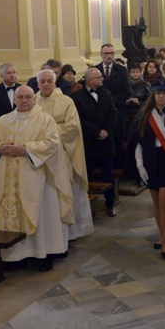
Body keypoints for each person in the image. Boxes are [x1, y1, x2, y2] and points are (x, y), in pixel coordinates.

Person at [0, 86, 73, 271]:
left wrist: (26, 150)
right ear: (14, 100)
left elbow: (52, 143)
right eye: (20, 97)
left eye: (28, 97)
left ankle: (41, 254)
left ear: (34, 99)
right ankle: (13, 256)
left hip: (37, 177)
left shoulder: (46, 121)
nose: (24, 100)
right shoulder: (2, 121)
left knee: (39, 215)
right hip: (7, 179)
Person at [128, 79, 165, 259]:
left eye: (164, 93)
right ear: (153, 94)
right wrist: (139, 165)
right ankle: (162, 236)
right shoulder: (144, 115)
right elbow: (137, 142)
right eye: (158, 93)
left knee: (164, 202)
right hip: (151, 161)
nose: (161, 96)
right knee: (156, 203)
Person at [36, 70, 93, 240]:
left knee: (67, 190)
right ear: (38, 84)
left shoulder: (66, 101)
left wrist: (49, 132)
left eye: (49, 81)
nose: (46, 84)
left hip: (63, 154)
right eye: (42, 81)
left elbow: (73, 127)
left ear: (55, 83)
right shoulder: (32, 102)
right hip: (39, 156)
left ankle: (73, 231)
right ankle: (49, 232)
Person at [71, 68, 118, 217]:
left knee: (108, 175)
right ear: (91, 80)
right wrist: (96, 132)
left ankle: (110, 204)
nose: (102, 79)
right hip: (89, 143)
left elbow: (113, 113)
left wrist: (106, 131)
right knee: (88, 176)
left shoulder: (106, 93)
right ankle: (88, 207)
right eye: (99, 77)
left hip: (106, 143)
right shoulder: (77, 97)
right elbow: (79, 119)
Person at [95, 44, 132, 161]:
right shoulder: (95, 70)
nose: (109, 56)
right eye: (106, 53)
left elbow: (127, 92)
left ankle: (118, 166)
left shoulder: (121, 70)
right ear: (101, 55)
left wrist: (110, 102)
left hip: (117, 111)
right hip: (99, 113)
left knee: (117, 139)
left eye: (111, 53)